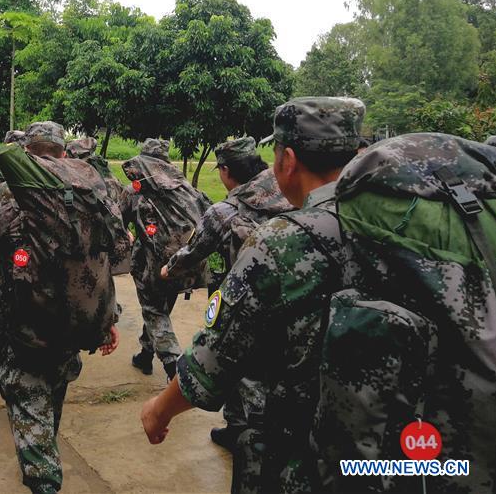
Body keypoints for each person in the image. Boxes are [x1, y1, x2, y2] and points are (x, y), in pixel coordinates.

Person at [141, 96, 366, 492]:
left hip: (299, 441)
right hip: (377, 430)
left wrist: (160, 410)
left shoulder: (279, 238)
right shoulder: (387, 221)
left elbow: (215, 358)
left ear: (288, 160)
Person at [0, 121, 126, 494]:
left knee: (27, 398)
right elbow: (105, 257)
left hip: (26, 323)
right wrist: (108, 316)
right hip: (75, 322)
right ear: (63, 151)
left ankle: (44, 478)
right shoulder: (91, 189)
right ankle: (43, 449)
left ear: (28, 151)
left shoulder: (12, 192)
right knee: (52, 392)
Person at [160, 136, 294, 454]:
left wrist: (168, 269)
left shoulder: (225, 211)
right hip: (295, 297)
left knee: (241, 367)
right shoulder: (291, 195)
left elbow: (194, 251)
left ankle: (260, 440)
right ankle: (235, 426)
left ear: (225, 170)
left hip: (244, 305)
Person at [120, 138, 211, 381]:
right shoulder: (185, 189)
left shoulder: (134, 191)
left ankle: (174, 368)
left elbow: (118, 224)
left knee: (154, 311)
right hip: (184, 263)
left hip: (152, 265)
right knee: (160, 307)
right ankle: (145, 354)